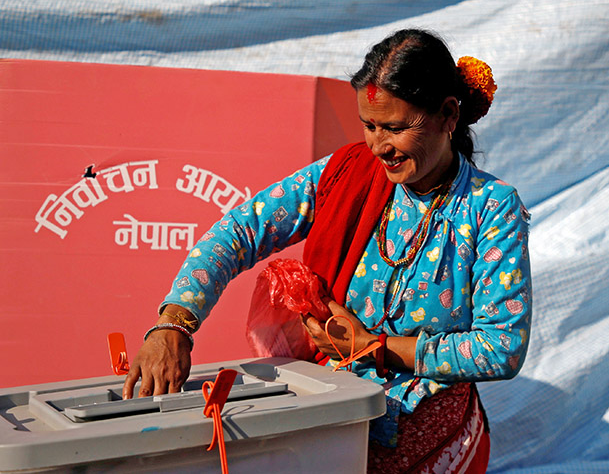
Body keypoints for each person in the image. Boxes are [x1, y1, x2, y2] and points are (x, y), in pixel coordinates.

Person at [123, 28, 532, 473]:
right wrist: (174, 324)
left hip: (433, 448)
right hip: (330, 427)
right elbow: (239, 231)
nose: (379, 147)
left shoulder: (491, 207)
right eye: (370, 126)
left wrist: (375, 348)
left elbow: (501, 347)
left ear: (448, 115)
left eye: (395, 128)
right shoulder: (345, 173)